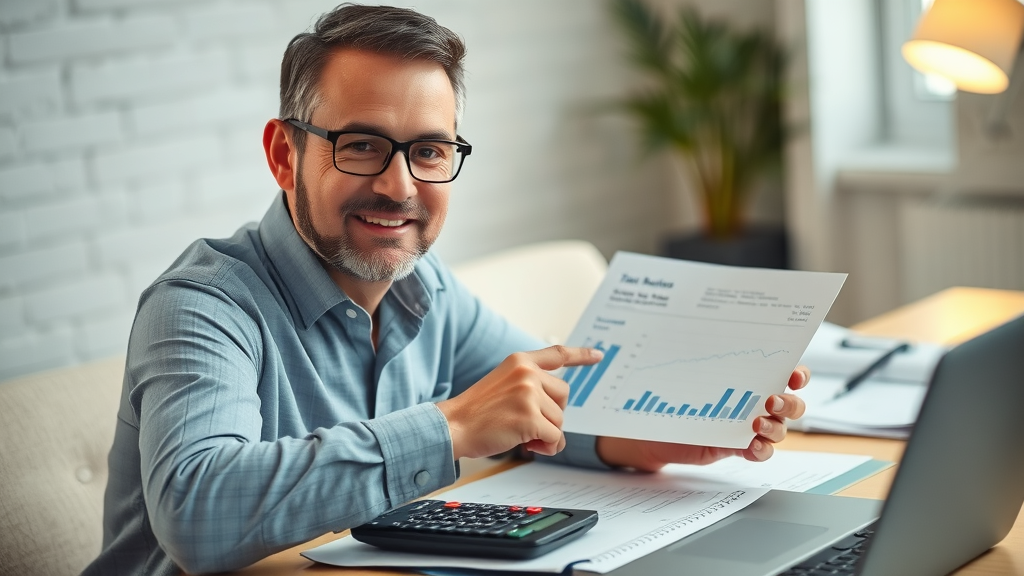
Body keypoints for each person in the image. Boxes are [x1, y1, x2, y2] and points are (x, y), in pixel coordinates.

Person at [82, 4, 809, 575]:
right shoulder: (203, 306)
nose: (399, 187)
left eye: (429, 151)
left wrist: (659, 436)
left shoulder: (423, 289)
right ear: (284, 153)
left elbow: (544, 406)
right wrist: (451, 427)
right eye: (361, 145)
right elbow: (196, 510)